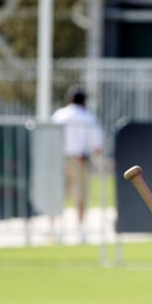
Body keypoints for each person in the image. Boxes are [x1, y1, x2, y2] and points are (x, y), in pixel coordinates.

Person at [50, 87, 104, 243]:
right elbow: (96, 143)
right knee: (80, 194)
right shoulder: (87, 117)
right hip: (79, 160)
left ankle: (55, 229)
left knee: (58, 194)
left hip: (60, 159)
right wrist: (98, 159)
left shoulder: (59, 115)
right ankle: (80, 229)